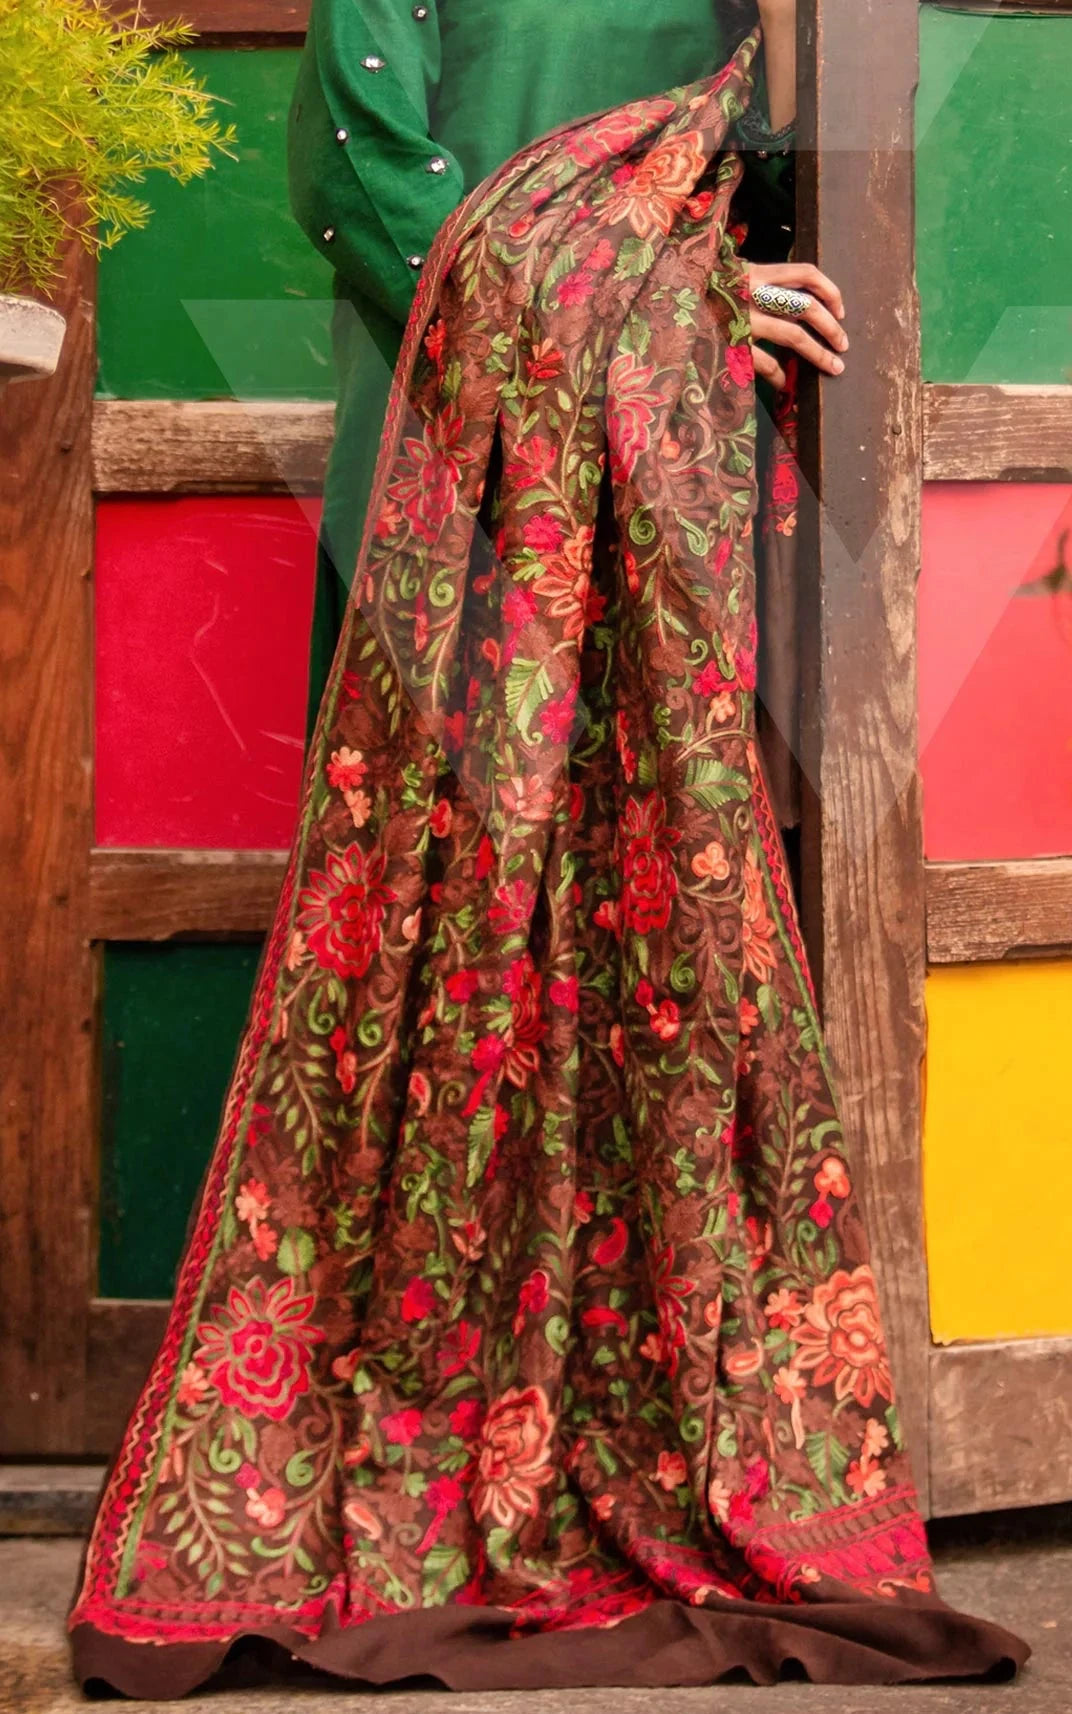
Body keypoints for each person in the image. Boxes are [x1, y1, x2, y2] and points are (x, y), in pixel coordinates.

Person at [68, 14, 1031, 1699]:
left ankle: (658, 1421)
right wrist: (669, 304)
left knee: (660, 964)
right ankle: (418, 1433)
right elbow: (361, 173)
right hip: (444, 480)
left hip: (663, 494)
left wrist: (713, 291)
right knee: (425, 968)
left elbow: (768, 156)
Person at [285, 0, 838, 738]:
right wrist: (659, 302)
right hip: (454, 419)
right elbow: (358, 171)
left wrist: (786, 24)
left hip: (673, 440)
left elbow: (778, 225)